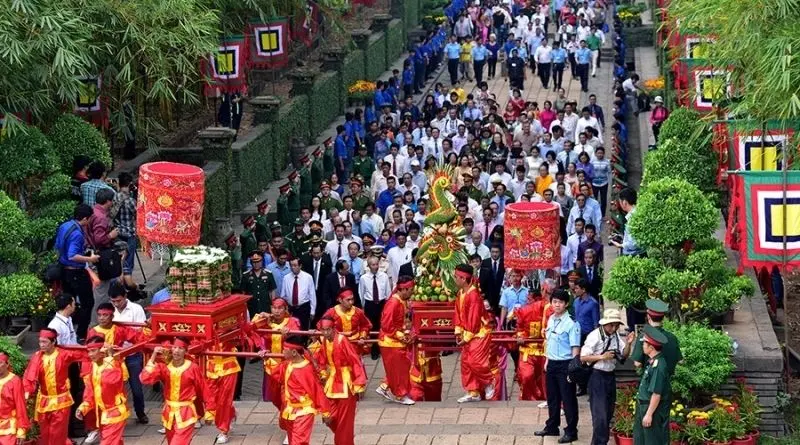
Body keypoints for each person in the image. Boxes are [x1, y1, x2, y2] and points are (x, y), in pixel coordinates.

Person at [23, 327, 87, 445]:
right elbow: (29, 376)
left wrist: (100, 350)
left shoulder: (64, 354)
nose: (41, 345)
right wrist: (27, 393)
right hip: (44, 400)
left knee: (58, 433)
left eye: (44, 342)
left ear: (53, 342)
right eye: (40, 341)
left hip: (61, 400)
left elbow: (83, 354)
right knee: (45, 432)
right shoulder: (37, 357)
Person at [581, 309, 635, 445]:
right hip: (597, 376)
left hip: (610, 376)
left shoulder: (616, 336)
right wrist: (602, 357)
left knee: (608, 412)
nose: (614, 328)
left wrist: (628, 343)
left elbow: (624, 355)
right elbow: (583, 357)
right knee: (600, 416)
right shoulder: (594, 336)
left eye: (616, 325)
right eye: (611, 325)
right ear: (605, 324)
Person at [535, 289, 581, 443]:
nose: (557, 305)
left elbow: (575, 348)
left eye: (560, 302)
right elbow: (549, 342)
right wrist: (547, 361)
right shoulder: (550, 319)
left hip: (566, 364)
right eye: (554, 301)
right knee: (552, 398)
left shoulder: (572, 323)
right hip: (552, 363)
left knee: (568, 399)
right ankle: (552, 426)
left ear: (566, 304)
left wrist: (574, 369)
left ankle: (571, 430)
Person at [140, 338, 206, 445]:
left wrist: (210, 411)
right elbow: (145, 378)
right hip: (169, 413)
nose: (176, 351)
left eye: (180, 348)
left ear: (185, 351)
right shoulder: (164, 367)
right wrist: (153, 356)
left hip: (186, 413)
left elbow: (203, 388)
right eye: (174, 347)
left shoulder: (193, 368)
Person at [315, 317, 367, 445]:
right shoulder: (324, 341)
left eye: (328, 330)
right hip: (331, 381)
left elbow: (354, 360)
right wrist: (321, 373)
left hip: (345, 383)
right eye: (323, 330)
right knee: (328, 418)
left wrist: (359, 382)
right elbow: (321, 359)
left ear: (334, 329)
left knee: (345, 422)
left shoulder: (342, 340)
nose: (326, 333)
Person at [271, 336, 331, 445]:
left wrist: (326, 412)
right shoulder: (287, 364)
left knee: (299, 442)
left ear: (294, 352)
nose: (282, 352)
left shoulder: (306, 370)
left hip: (304, 411)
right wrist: (266, 358)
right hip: (290, 409)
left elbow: (317, 391)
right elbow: (276, 373)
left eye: (285, 350)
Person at [55, 204, 99, 340]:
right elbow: (72, 255)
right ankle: (81, 334)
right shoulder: (77, 234)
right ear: (85, 218)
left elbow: (58, 246)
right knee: (87, 302)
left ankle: (66, 332)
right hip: (76, 271)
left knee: (67, 301)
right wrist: (90, 259)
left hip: (64, 270)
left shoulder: (65, 226)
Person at [453, 264, 495, 403]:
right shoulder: (461, 294)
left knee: (475, 362)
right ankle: (473, 391)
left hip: (479, 333)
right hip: (467, 333)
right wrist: (458, 331)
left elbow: (474, 319)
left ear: (463, 279)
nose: (454, 279)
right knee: (466, 363)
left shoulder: (474, 295)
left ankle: (488, 382)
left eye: (456, 277)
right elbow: (458, 314)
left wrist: (466, 337)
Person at [109, 283, 148, 424]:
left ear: (125, 296)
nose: (116, 304)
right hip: (114, 355)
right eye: (113, 301)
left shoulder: (136, 309)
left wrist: (123, 334)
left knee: (136, 386)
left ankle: (140, 412)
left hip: (132, 353)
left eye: (118, 300)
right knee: (115, 387)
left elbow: (140, 332)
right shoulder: (109, 311)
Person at [76, 336, 127, 445]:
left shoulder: (115, 363)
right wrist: (83, 407)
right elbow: (90, 391)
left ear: (102, 350)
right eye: (89, 351)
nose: (90, 354)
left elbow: (110, 381)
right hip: (103, 415)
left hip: (115, 412)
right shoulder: (94, 366)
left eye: (93, 351)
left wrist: (109, 357)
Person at [250, 299, 301, 409]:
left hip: (287, 364)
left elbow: (297, 340)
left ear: (286, 309)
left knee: (287, 392)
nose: (277, 311)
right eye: (274, 308)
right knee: (272, 394)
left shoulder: (292, 322)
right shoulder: (266, 322)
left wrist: (288, 334)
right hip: (271, 363)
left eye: (280, 308)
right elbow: (251, 328)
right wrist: (260, 316)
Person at [376, 275, 415, 405]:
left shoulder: (401, 301)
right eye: (410, 290)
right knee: (399, 369)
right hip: (390, 341)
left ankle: (385, 387)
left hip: (394, 339)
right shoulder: (393, 303)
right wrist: (401, 336)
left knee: (399, 367)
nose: (412, 292)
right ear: (404, 289)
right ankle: (400, 395)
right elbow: (386, 325)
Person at [633, 326, 672, 445]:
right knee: (641, 440)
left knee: (653, 440)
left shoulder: (658, 365)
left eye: (644, 344)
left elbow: (656, 393)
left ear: (651, 347)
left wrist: (649, 414)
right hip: (644, 406)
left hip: (652, 409)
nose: (642, 346)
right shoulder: (652, 361)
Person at [630, 299, 683, 377]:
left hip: (650, 382)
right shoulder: (672, 337)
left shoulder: (644, 336)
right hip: (667, 382)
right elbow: (680, 361)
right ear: (663, 318)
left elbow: (637, 363)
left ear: (648, 316)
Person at [512, 289, 547, 401]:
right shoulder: (523, 311)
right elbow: (519, 328)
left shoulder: (548, 309)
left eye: (529, 299)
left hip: (544, 350)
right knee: (527, 375)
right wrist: (520, 336)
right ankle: (529, 397)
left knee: (543, 378)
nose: (527, 301)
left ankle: (542, 397)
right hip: (527, 350)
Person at [322, 288, 372, 356]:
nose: (351, 302)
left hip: (355, 345)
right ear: (340, 300)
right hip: (338, 346)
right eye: (348, 300)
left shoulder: (358, 312)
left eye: (352, 299)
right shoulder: (331, 312)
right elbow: (322, 326)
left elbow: (366, 325)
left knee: (357, 365)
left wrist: (362, 337)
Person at [359, 257, 391, 360]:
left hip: (381, 304)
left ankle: (382, 347)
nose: (375, 267)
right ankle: (374, 350)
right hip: (370, 304)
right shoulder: (364, 278)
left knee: (381, 326)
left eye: (377, 264)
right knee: (372, 327)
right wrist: (362, 308)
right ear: (368, 266)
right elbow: (361, 293)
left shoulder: (384, 276)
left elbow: (388, 292)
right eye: (373, 265)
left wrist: (387, 306)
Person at [111, 172, 138, 290]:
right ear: (130, 184)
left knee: (118, 258)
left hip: (116, 233)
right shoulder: (131, 201)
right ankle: (128, 283)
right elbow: (137, 215)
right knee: (128, 260)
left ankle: (120, 280)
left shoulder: (114, 197)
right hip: (129, 234)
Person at [0, 350, 30, 445]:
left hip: (8, 428)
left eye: (0, 363)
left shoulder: (14, 381)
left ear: (7, 364)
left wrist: (21, 431)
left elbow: (20, 407)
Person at [281, 258, 316, 330]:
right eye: (291, 265)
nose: (292, 267)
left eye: (295, 265)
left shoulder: (308, 277)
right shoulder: (286, 278)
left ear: (300, 266)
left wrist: (312, 311)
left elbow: (312, 295)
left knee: (303, 329)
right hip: (291, 309)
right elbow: (283, 296)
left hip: (304, 308)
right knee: (291, 329)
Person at [240, 250, 277, 317]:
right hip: (252, 306)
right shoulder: (246, 275)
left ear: (261, 261)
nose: (256, 264)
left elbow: (272, 291)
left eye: (258, 262)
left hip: (265, 306)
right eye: (254, 262)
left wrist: (273, 305)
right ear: (251, 263)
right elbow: (243, 292)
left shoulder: (268, 274)